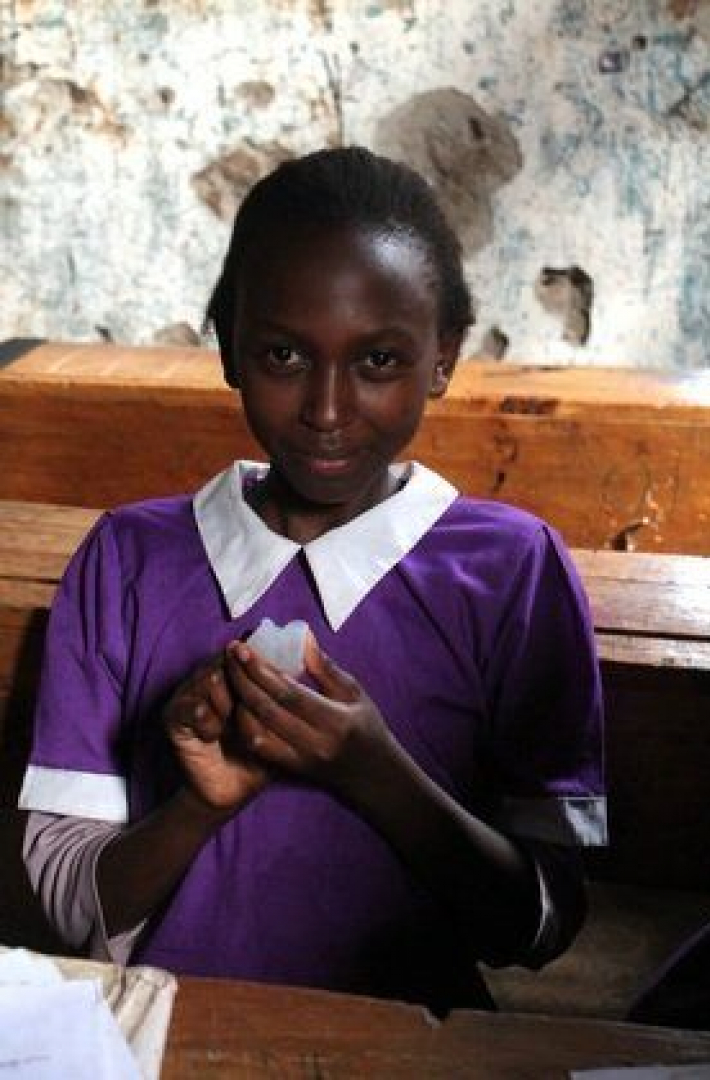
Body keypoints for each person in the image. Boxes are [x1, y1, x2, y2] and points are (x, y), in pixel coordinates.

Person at [18, 147, 606, 1014]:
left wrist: (376, 773)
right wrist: (197, 806)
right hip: (163, 1040)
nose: (327, 411)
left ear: (443, 357)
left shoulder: (512, 572)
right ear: (229, 347)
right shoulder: (127, 560)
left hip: (411, 1056)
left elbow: (538, 928)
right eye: (285, 355)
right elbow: (73, 909)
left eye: (380, 361)